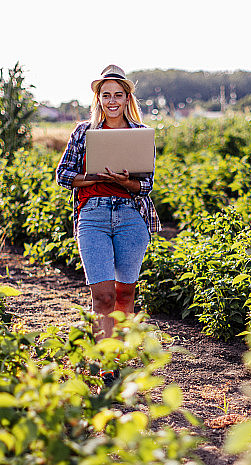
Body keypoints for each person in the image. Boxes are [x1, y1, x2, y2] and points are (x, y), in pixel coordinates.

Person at [55, 65, 160, 341]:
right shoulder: (83, 132)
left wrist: (124, 181)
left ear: (127, 99)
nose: (112, 100)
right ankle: (106, 366)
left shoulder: (141, 134)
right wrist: (93, 177)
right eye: (106, 95)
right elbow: (63, 175)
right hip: (94, 215)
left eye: (118, 94)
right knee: (103, 296)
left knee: (125, 293)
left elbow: (146, 184)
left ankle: (119, 355)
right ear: (98, 99)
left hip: (130, 216)